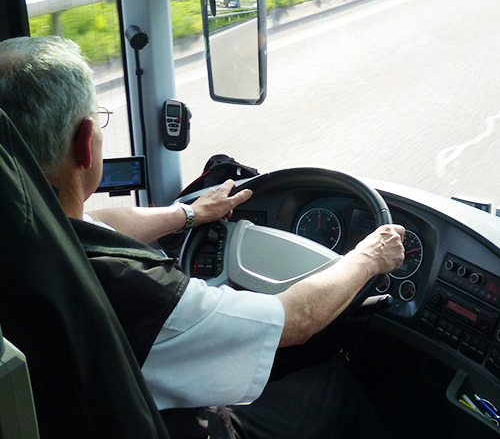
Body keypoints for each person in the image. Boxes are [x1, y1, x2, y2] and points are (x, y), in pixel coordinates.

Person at [0, 35, 405, 439]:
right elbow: (298, 320)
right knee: (333, 388)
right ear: (85, 142)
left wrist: (189, 213)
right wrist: (369, 256)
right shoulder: (136, 289)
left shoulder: (28, 235)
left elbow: (100, 222)